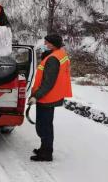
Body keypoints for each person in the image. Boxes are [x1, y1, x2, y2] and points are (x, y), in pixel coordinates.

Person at [28, 34, 72, 162]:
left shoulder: (52, 59)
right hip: (52, 95)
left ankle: (46, 153)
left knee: (43, 126)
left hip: (47, 97)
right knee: (46, 125)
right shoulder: (59, 54)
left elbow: (48, 82)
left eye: (47, 42)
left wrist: (36, 96)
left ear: (52, 44)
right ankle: (44, 149)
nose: (45, 44)